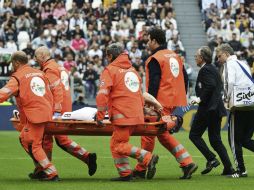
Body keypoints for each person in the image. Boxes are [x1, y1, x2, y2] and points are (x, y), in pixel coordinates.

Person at [133, 28, 197, 179]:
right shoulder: (176, 56)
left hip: (161, 101)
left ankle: (143, 168)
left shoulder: (155, 59)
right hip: (175, 101)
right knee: (160, 133)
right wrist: (181, 97)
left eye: (149, 40)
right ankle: (186, 163)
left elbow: (154, 82)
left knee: (149, 132)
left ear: (154, 41)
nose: (147, 43)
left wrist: (150, 103)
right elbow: (185, 80)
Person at [96, 42, 159, 181]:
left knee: (118, 145)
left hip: (122, 115)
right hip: (135, 114)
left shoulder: (110, 70)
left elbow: (102, 94)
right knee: (116, 143)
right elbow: (139, 93)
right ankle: (125, 174)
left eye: (107, 56)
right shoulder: (132, 70)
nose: (106, 59)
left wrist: (100, 115)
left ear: (111, 55)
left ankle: (148, 157)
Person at [31, 46, 97, 178]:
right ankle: (86, 157)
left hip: (57, 108)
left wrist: (56, 110)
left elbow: (56, 91)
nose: (35, 59)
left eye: (36, 56)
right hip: (65, 107)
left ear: (43, 55)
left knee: (47, 138)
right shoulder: (59, 67)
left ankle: (44, 169)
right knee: (61, 139)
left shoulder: (49, 69)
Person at [0, 51, 59, 181]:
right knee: (24, 138)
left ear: (16, 63)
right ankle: (40, 169)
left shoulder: (18, 76)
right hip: (45, 111)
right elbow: (50, 93)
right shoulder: (40, 73)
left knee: (33, 144)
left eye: (12, 63)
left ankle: (51, 172)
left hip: (35, 114)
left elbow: (4, 93)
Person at [189, 46, 234, 176]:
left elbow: (211, 86)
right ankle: (228, 167)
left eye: (196, 56)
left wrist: (199, 99)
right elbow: (215, 86)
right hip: (216, 109)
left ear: (202, 58)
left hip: (208, 109)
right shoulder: (213, 68)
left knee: (194, 135)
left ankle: (211, 159)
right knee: (215, 140)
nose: (195, 58)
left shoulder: (205, 70)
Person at [216, 43, 254, 178]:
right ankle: (241, 169)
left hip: (238, 106)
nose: (218, 59)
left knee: (234, 140)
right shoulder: (243, 63)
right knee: (245, 140)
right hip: (251, 104)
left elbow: (229, 83)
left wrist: (226, 99)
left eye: (219, 56)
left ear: (226, 54)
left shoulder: (229, 65)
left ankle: (241, 170)